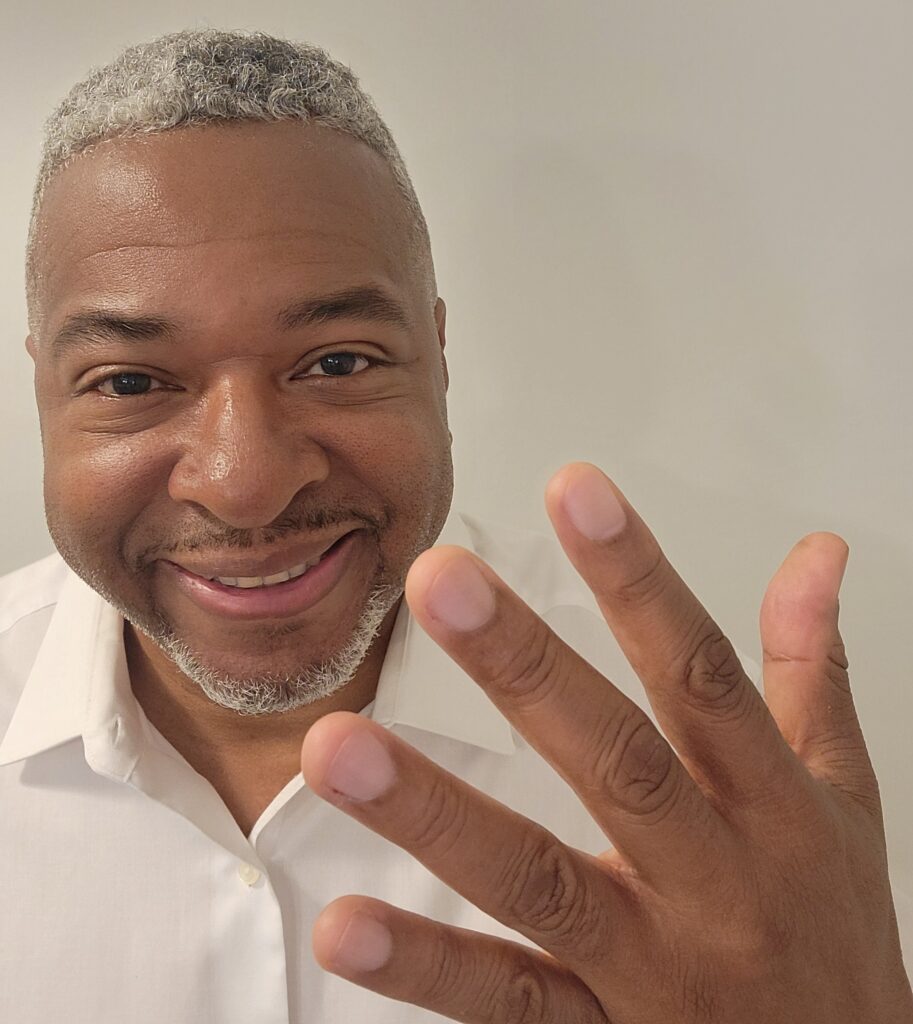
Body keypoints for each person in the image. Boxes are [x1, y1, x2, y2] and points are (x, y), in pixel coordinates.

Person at [1, 28, 910, 1024]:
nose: (245, 484)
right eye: (130, 382)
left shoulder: (699, 777)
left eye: (336, 363)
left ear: (436, 355)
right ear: (42, 388)